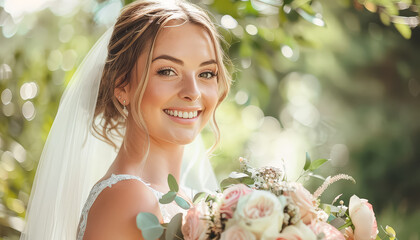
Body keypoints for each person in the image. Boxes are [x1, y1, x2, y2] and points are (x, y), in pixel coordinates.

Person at [20, 0, 232, 239]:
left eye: (206, 73)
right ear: (122, 85)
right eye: (167, 71)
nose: (192, 91)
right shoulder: (130, 198)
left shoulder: (188, 201)